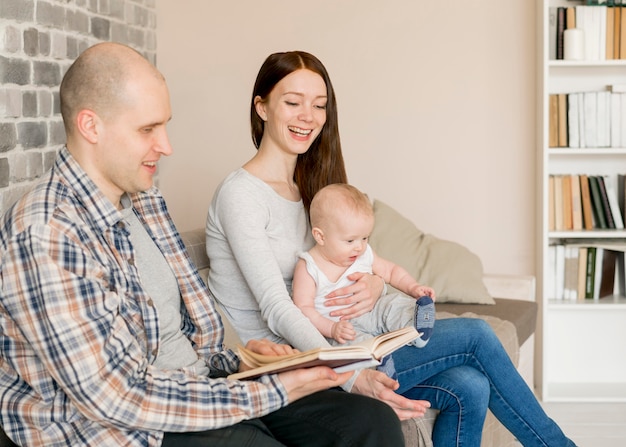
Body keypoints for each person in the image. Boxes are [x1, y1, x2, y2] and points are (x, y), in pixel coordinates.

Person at [0, 42, 406, 447]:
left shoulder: (142, 203)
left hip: (196, 382)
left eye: (164, 126)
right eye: (147, 129)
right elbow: (117, 396)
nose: (166, 145)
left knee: (371, 422)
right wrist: (273, 390)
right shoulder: (46, 231)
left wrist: (244, 360)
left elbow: (181, 340)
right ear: (91, 126)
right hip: (127, 427)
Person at [205, 50, 578, 446]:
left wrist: (376, 286)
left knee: (467, 386)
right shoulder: (241, 195)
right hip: (294, 360)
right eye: (292, 102)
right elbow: (277, 308)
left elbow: (357, 262)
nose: (307, 116)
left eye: (319, 105)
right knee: (477, 335)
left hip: (346, 342)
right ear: (261, 107)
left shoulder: (310, 190)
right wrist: (348, 374)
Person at [292, 183, 435, 348]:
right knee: (352, 345)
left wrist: (414, 287)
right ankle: (378, 362)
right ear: (320, 237)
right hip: (339, 327)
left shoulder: (363, 253)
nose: (359, 247)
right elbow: (303, 309)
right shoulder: (309, 267)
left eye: (365, 238)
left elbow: (391, 271)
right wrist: (331, 328)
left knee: (393, 305)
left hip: (372, 311)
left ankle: (416, 328)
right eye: (350, 240)